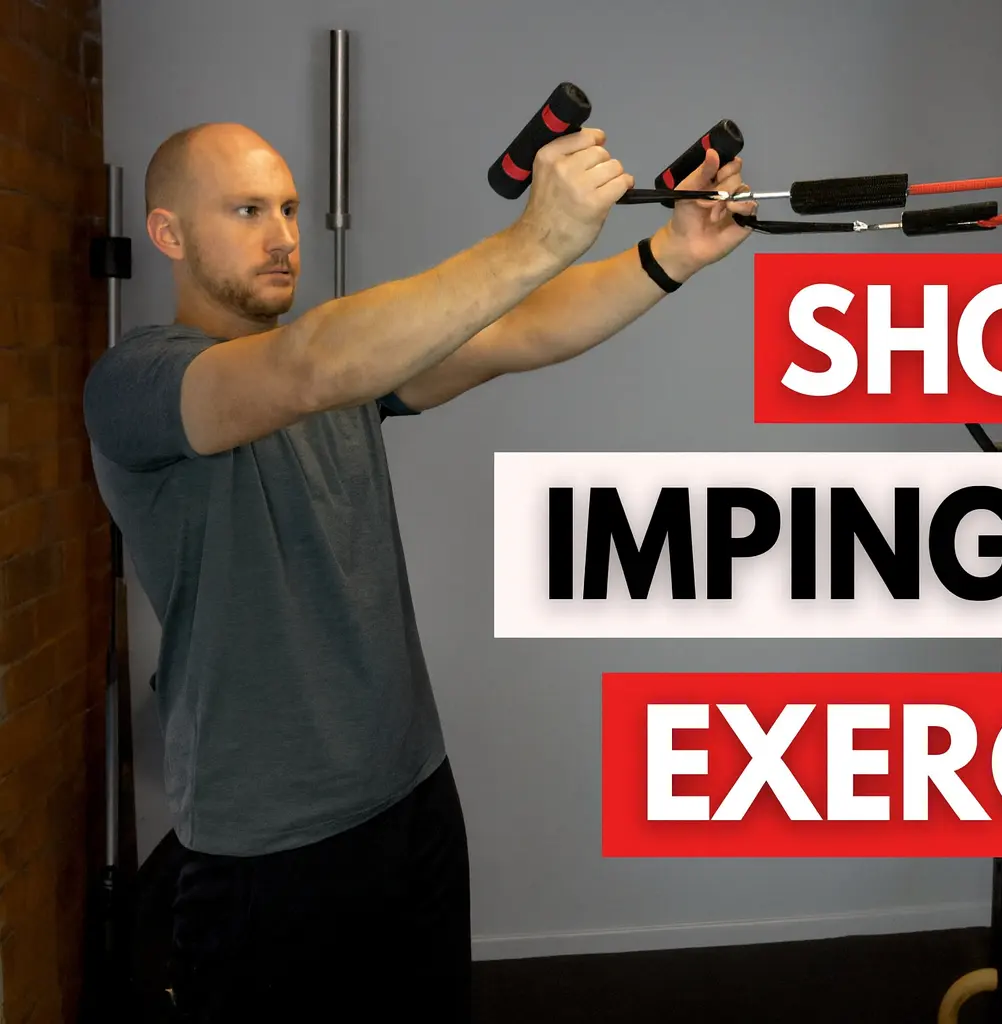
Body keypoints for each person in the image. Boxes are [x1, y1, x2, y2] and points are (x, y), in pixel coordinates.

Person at [81, 120, 756, 1022]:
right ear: (167, 233)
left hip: (412, 796)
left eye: (288, 208)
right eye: (247, 211)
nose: (283, 235)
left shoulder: (355, 366)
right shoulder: (137, 384)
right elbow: (306, 367)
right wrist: (535, 238)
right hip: (266, 847)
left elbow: (518, 329)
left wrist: (672, 251)